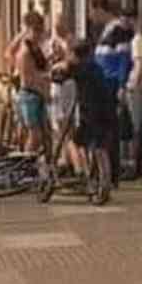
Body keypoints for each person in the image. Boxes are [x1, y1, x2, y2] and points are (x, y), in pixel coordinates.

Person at [52, 39, 118, 196]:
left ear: (75, 55)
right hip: (107, 112)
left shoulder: (77, 67)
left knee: (76, 142)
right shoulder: (96, 67)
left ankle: (84, 175)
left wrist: (60, 65)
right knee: (100, 148)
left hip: (90, 114)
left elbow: (58, 75)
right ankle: (105, 182)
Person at [89, 0, 133, 187]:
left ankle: (111, 174)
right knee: (104, 131)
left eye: (92, 10)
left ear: (100, 9)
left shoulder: (118, 29)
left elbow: (124, 58)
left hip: (110, 86)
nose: (90, 16)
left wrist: (122, 86)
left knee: (108, 132)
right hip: (101, 85)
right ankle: (103, 173)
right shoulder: (107, 29)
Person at [48, 13, 78, 173]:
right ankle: (65, 160)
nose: (56, 28)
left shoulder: (70, 41)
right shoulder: (55, 41)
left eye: (59, 25)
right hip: (58, 86)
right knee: (60, 126)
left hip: (65, 86)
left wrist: (62, 58)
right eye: (55, 25)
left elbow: (71, 63)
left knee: (64, 125)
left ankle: (75, 164)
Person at [15, 11, 49, 153]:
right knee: (35, 136)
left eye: (40, 30)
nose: (39, 34)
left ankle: (33, 163)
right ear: (28, 29)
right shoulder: (25, 51)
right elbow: (27, 79)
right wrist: (43, 90)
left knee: (43, 135)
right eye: (35, 30)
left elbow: (42, 69)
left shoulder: (36, 48)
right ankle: (26, 164)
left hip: (38, 94)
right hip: (30, 95)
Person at [122, 9, 142, 179]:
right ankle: (132, 162)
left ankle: (132, 164)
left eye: (126, 21)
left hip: (134, 88)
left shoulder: (137, 40)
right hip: (136, 87)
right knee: (133, 125)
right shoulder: (138, 39)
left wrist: (131, 86)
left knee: (133, 126)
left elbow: (139, 64)